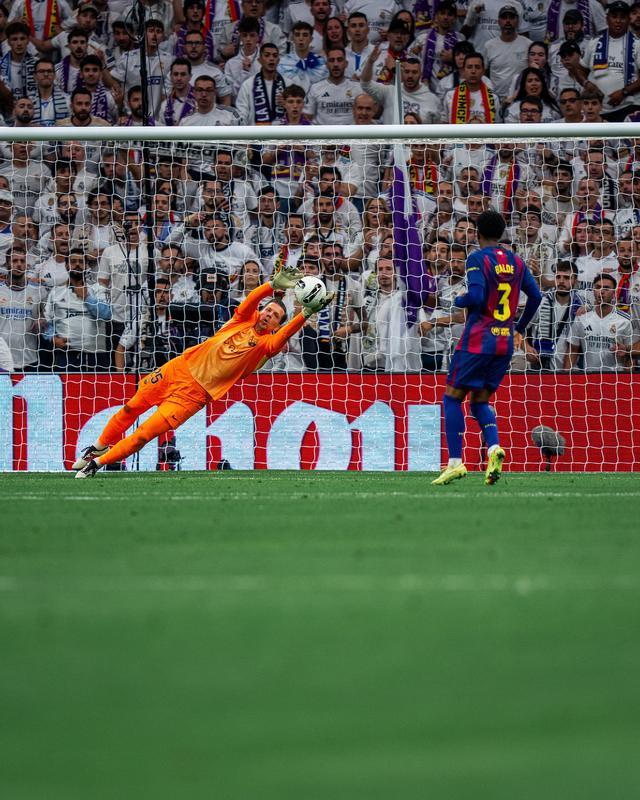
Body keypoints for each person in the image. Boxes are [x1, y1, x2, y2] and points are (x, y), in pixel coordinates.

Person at [73, 264, 333, 477]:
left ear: (277, 325)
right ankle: (97, 447)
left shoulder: (266, 346)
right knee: (131, 408)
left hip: (195, 395)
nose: (268, 315)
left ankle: (97, 464)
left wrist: (305, 313)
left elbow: (283, 336)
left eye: (275, 316)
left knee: (144, 435)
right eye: (268, 310)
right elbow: (252, 300)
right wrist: (272, 286)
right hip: (179, 368)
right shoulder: (241, 320)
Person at [432, 210, 542, 487]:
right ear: (501, 232)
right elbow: (536, 296)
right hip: (504, 342)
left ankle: (455, 463)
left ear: (477, 233)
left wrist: (460, 300)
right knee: (480, 401)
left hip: (478, 339)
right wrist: (519, 328)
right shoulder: (516, 261)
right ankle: (494, 448)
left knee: (452, 397)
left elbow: (478, 296)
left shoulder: (477, 258)